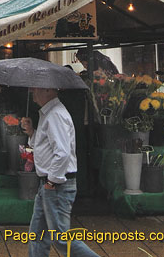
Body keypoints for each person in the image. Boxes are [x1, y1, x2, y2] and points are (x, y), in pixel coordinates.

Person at [21, 87, 99, 257]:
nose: (33, 94)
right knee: (38, 235)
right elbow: (46, 147)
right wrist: (32, 133)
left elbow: (62, 152)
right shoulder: (50, 113)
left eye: (36, 90)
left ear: (48, 90)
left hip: (56, 185)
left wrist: (51, 182)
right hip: (51, 184)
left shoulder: (55, 114)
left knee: (61, 239)